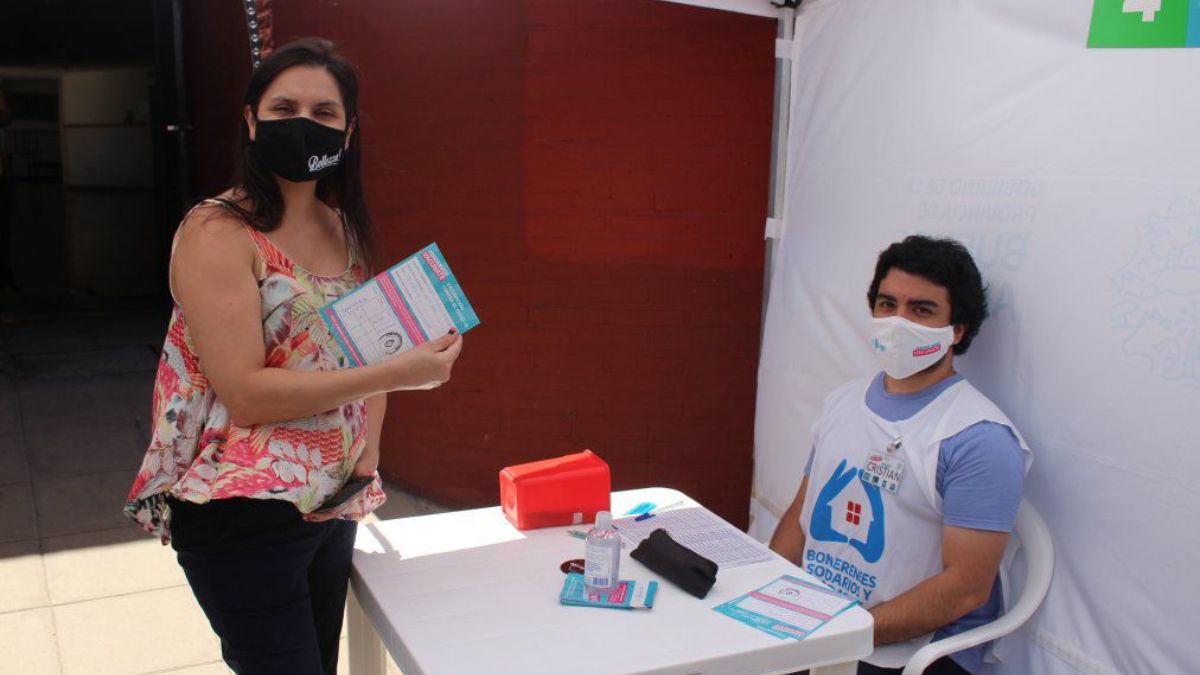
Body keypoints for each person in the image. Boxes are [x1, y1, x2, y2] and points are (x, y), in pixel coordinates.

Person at [124, 38, 463, 675]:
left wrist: (367, 459)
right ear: (252, 120)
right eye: (284, 107)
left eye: (324, 112)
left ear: (347, 132)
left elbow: (369, 353)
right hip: (240, 507)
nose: (303, 122)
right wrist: (399, 373)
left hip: (332, 499)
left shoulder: (345, 229)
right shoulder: (218, 230)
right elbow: (246, 393)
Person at [769, 235, 1031, 675]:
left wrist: (844, 632)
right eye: (887, 304)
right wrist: (768, 595)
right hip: (822, 628)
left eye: (921, 310)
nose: (898, 322)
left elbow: (966, 589)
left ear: (957, 330)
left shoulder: (978, 438)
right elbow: (802, 513)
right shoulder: (844, 401)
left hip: (908, 652)